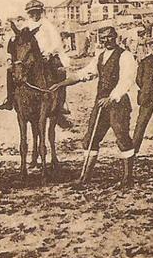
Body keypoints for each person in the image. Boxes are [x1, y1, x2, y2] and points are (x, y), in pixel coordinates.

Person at [51, 25, 137, 185]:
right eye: (103, 38)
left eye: (110, 37)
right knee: (90, 138)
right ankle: (85, 177)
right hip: (100, 103)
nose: (107, 40)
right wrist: (63, 83)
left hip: (118, 103)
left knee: (122, 138)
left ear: (116, 36)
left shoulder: (125, 56)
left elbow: (127, 80)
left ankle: (128, 178)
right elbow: (85, 73)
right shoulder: (100, 56)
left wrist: (112, 97)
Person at [0, 0, 71, 123]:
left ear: (40, 12)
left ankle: (61, 103)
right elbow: (17, 41)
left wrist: (49, 53)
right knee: (10, 71)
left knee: (59, 71)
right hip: (29, 59)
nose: (34, 15)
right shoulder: (25, 25)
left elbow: (57, 42)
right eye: (32, 13)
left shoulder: (48, 25)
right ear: (29, 14)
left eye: (37, 12)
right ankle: (10, 99)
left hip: (46, 56)